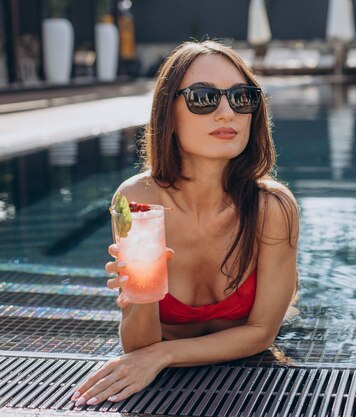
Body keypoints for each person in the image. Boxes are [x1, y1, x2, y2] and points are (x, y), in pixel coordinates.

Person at [71, 40, 299, 407]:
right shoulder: (138, 202)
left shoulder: (273, 207)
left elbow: (260, 334)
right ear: (169, 114)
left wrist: (164, 355)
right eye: (203, 98)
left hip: (247, 377)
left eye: (242, 98)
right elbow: (137, 347)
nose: (227, 113)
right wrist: (139, 293)